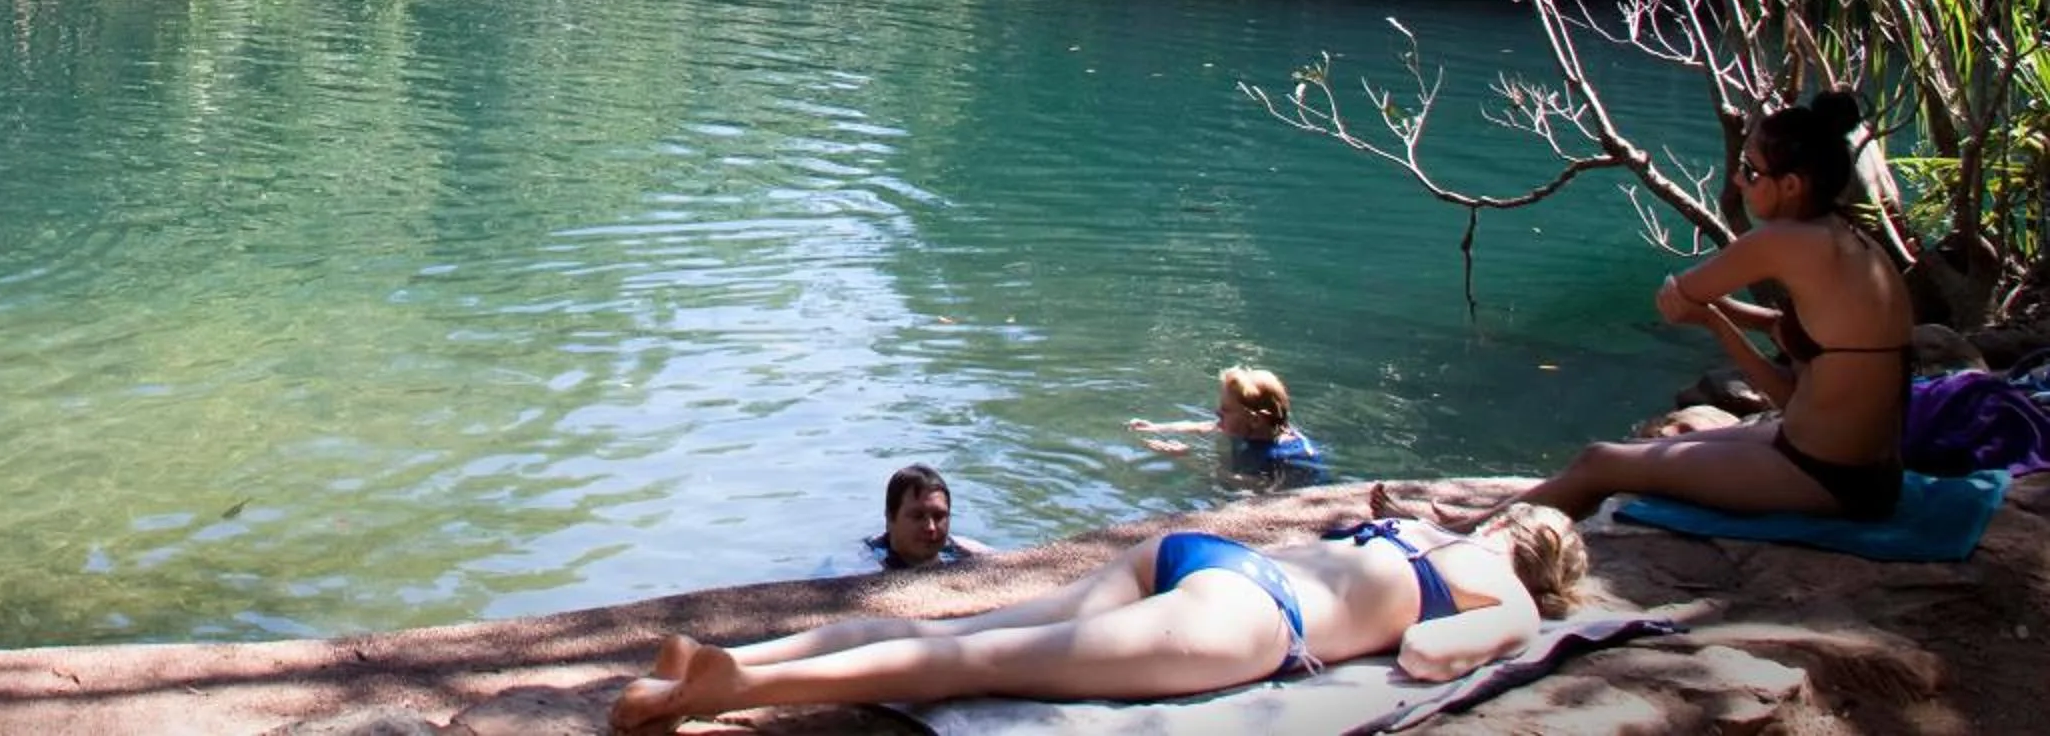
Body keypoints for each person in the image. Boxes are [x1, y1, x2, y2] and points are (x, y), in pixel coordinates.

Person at [1381, 89, 1915, 528]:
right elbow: (1797, 392)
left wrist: (1707, 315)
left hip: (1828, 477)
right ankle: (1479, 517)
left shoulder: (1783, 243)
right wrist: (1719, 318)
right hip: (1854, 466)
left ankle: (1463, 535)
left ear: (1792, 185)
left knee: (1602, 462)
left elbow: (1686, 292)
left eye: (1750, 171)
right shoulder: (1850, 241)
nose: (1737, 179)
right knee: (1619, 456)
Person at [610, 504, 1587, 729]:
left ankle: (737, 658)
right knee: (976, 663)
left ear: (1508, 521)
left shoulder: (1413, 521)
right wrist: (1511, 628)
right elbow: (1423, 652)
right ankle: (737, 686)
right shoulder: (1499, 588)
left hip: (1201, 554)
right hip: (1251, 615)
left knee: (963, 634)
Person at [1129, 366, 1324, 476]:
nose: (1217, 414)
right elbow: (1203, 426)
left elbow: (1254, 490)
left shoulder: (1289, 458)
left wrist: (1189, 459)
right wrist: (1154, 427)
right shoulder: (1250, 427)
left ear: (1256, 420)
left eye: (1225, 412)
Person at [865, 463, 993, 570]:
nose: (930, 527)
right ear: (890, 518)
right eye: (917, 516)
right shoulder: (869, 563)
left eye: (939, 516)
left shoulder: (961, 550)